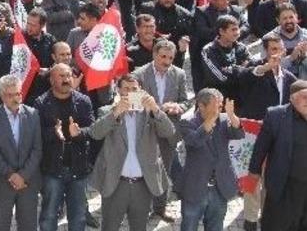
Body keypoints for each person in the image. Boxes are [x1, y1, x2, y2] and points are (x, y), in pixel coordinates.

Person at [88, 74, 175, 231]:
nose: (129, 93)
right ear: (118, 90)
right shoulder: (106, 111)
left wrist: (155, 109)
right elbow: (95, 133)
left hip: (143, 183)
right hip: (115, 182)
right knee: (109, 227)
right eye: (125, 89)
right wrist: (116, 113)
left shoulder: (150, 112)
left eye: (134, 89)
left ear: (141, 91)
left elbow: (169, 132)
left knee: (139, 227)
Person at [132, 40, 191, 222]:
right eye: (163, 57)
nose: (166, 61)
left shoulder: (179, 74)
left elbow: (186, 100)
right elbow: (133, 101)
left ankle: (159, 208)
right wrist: (158, 108)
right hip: (144, 131)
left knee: (163, 172)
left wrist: (178, 107)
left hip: (168, 131)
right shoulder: (139, 74)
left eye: (171, 58)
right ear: (154, 55)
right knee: (140, 172)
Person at [33, 64, 95, 231]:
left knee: (78, 217)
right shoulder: (40, 103)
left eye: (68, 75)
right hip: (52, 169)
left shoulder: (83, 101)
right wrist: (53, 133)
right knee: (49, 216)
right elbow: (35, 135)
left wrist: (79, 133)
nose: (67, 79)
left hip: (78, 168)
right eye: (62, 76)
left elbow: (93, 130)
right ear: (52, 80)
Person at [177, 88, 243, 231]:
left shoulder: (225, 119)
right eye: (216, 106)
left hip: (220, 187)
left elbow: (238, 134)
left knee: (216, 226)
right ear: (201, 105)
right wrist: (211, 119)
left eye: (220, 106)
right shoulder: (187, 122)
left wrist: (231, 115)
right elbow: (195, 141)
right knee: (189, 225)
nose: (219, 109)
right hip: (195, 187)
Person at [0, 74, 41, 231]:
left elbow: (37, 150)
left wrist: (23, 175)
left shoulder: (33, 114)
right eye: (10, 95)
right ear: (1, 95)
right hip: (2, 184)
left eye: (18, 94)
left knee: (28, 226)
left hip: (28, 183)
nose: (16, 99)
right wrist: (12, 175)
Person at [249, 79, 307, 230]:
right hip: (283, 185)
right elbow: (261, 147)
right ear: (292, 98)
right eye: (304, 97)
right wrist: (254, 173)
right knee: (276, 224)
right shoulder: (276, 115)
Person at [200, 15, 251, 100]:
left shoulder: (241, 47)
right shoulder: (209, 50)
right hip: (218, 97)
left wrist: (231, 70)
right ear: (221, 31)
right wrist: (241, 70)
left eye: (237, 29)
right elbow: (220, 78)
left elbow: (251, 69)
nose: (237, 33)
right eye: (233, 30)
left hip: (241, 94)